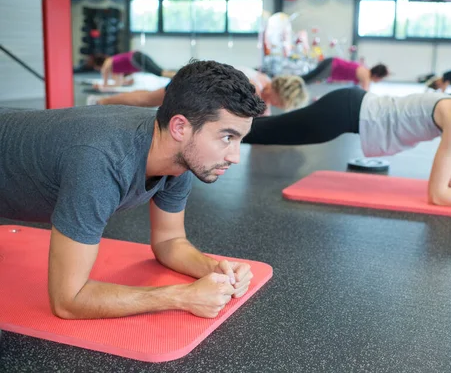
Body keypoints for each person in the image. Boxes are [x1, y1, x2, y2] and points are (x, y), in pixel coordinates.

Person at [0, 60, 266, 320]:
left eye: (239, 140)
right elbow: (68, 300)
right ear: (180, 127)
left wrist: (215, 270)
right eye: (227, 137)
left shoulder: (178, 157)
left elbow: (169, 242)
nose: (235, 157)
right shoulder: (101, 162)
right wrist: (182, 297)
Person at [244, 85, 451, 212]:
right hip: (343, 111)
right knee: (259, 132)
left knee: (263, 131)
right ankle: (207, 125)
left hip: (348, 109)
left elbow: (448, 178)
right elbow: (438, 195)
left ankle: (214, 129)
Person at [87, 68, 308, 117]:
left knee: (150, 99)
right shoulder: (253, 87)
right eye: (282, 102)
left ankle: (101, 101)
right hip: (194, 83)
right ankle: (100, 101)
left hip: (201, 86)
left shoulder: (264, 82)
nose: (278, 106)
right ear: (279, 93)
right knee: (149, 100)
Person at [92, 50, 178, 88]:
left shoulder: (108, 62)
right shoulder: (115, 67)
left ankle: (180, 77)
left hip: (136, 58)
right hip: (137, 57)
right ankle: (179, 75)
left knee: (160, 73)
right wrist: (125, 82)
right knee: (161, 71)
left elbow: (105, 72)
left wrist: (101, 85)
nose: (100, 70)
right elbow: (118, 83)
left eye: (98, 68)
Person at [300, 57, 389, 91]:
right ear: (377, 76)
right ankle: (288, 84)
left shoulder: (365, 69)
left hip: (331, 64)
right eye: (381, 78)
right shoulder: (366, 76)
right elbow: (365, 95)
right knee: (306, 80)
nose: (380, 81)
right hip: (331, 67)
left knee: (308, 79)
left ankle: (289, 83)